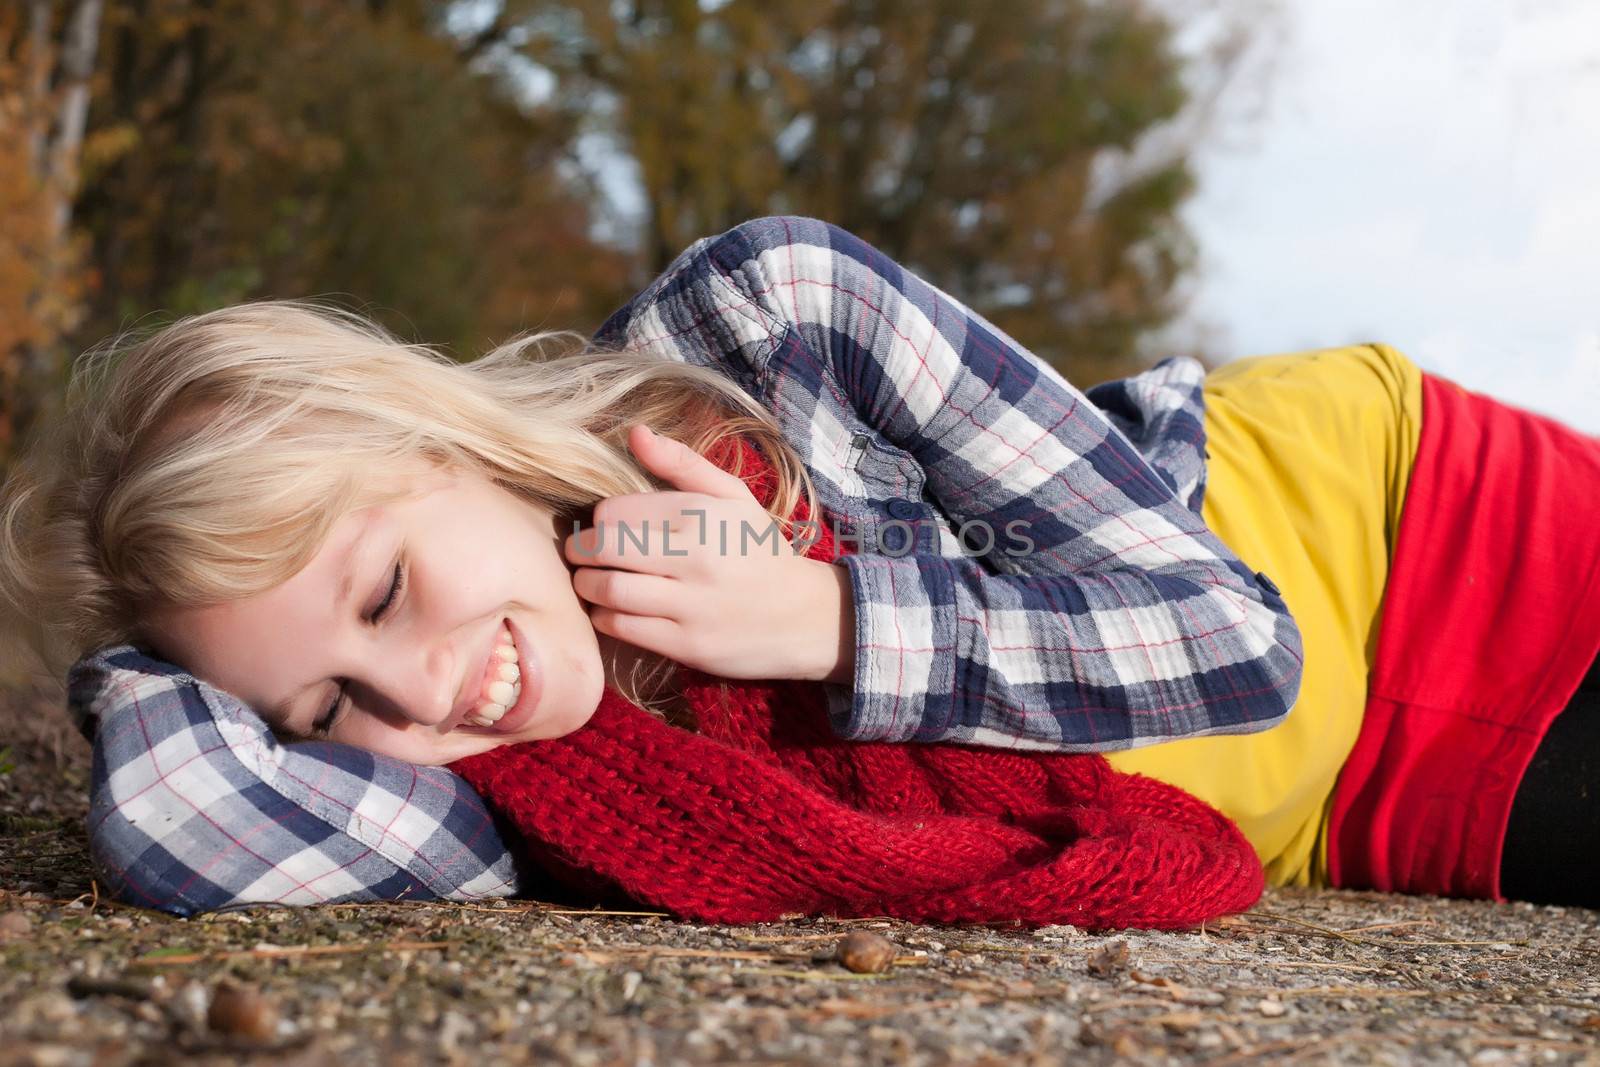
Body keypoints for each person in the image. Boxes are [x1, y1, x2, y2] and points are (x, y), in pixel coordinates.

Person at [1, 216, 1595, 916]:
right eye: (325, 705)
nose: (422, 692)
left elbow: (1236, 647)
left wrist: (827, 619)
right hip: (1369, 805)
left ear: (453, 442)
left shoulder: (775, 327)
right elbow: (182, 822)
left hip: (1418, 530)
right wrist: (164, 658)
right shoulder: (526, 764)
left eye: (378, 592)